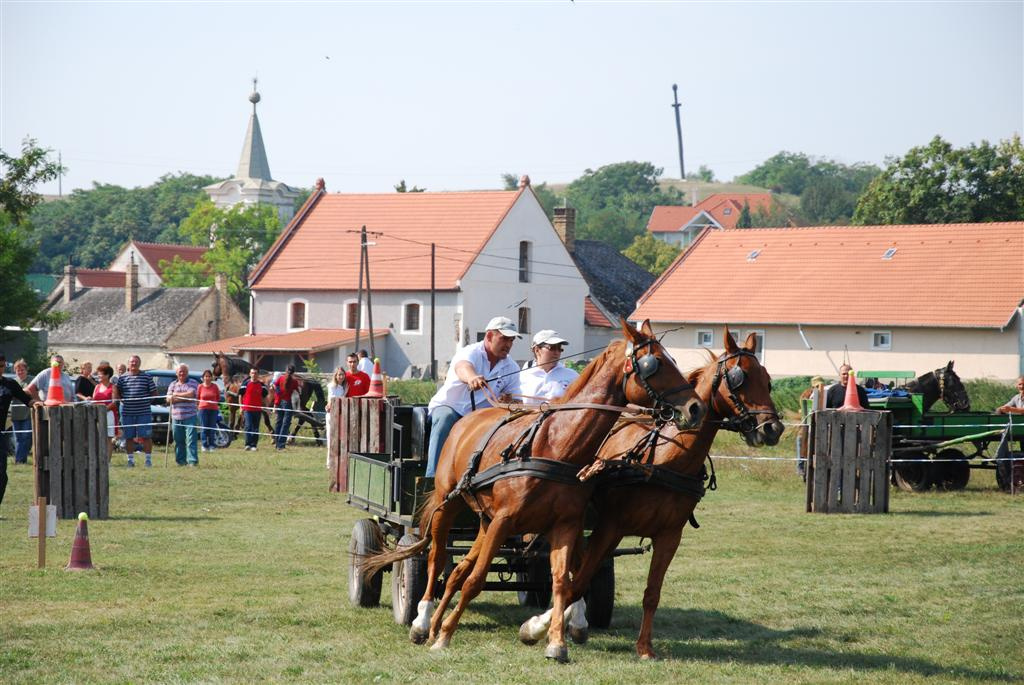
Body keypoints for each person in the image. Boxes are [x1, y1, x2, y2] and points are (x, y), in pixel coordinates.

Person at [425, 316, 522, 477]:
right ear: (489, 336)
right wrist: (471, 377)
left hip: (481, 418)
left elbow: (515, 398)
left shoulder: (511, 366)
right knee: (445, 419)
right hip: (453, 408)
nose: (508, 345)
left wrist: (511, 401)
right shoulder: (471, 351)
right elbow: (463, 366)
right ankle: (431, 478)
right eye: (504, 338)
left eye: (511, 340)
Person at [113, 354, 156, 468]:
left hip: (144, 412)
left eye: (136, 362)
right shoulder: (122, 378)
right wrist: (122, 400)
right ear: (128, 364)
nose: (134, 364)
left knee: (146, 436)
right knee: (129, 437)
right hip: (127, 412)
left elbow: (154, 393)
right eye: (132, 362)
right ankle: (130, 460)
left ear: (139, 363)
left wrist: (146, 402)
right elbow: (117, 392)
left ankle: (148, 460)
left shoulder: (147, 377)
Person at [519, 329, 579, 405]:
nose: (557, 352)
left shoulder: (572, 376)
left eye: (559, 349)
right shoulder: (522, 377)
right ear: (537, 350)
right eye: (552, 348)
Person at [0, 366, 32, 506]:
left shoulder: (10, 384)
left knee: (2, 475)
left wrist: (40, 404)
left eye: (1, 366)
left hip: (1, 435)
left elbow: (27, 400)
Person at [167, 363, 200, 467]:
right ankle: (181, 461)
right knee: (178, 440)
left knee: (191, 440)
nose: (182, 373)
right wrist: (183, 397)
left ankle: (192, 461)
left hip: (190, 416)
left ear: (187, 372)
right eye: (180, 371)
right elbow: (168, 399)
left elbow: (191, 394)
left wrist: (175, 395)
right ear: (177, 373)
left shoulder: (193, 382)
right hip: (176, 417)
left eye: (184, 371)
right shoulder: (172, 384)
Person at [91, 364, 117, 461]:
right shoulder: (97, 386)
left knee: (108, 438)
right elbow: (94, 400)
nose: (98, 376)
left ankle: (107, 461)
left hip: (109, 415)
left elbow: (114, 402)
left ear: (107, 375)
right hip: (96, 414)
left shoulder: (113, 387)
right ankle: (97, 458)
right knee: (97, 437)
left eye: (100, 374)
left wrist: (103, 410)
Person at [272, 365, 300, 451]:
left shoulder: (280, 378)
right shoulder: (294, 381)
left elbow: (275, 386)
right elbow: (297, 391)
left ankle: (277, 443)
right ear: (293, 372)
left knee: (279, 423)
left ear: (286, 370)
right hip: (288, 404)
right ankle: (281, 445)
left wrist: (276, 401)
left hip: (280, 402)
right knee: (285, 424)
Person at [11, 359, 33, 464]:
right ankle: (21, 459)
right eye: (18, 370)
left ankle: (19, 460)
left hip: (27, 414)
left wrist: (18, 393)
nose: (20, 372)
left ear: (26, 370)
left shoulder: (32, 380)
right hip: (15, 414)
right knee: (18, 439)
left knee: (26, 437)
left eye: (22, 370)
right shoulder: (12, 382)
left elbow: (31, 392)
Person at [240, 367, 268, 451]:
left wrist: (266, 407)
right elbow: (240, 395)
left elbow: (264, 397)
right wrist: (241, 407)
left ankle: (254, 445)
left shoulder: (262, 385)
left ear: (258, 375)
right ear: (250, 374)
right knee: (248, 426)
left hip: (257, 410)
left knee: (256, 428)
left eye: (255, 373)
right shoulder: (245, 383)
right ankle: (247, 444)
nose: (254, 375)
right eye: (252, 373)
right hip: (247, 409)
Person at [197, 369, 221, 452]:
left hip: (213, 410)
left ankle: (212, 445)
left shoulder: (215, 386)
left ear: (211, 377)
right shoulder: (200, 386)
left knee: (212, 428)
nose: (207, 378)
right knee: (204, 428)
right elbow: (197, 398)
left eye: (209, 376)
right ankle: (204, 445)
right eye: (206, 376)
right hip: (202, 410)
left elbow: (218, 397)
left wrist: (213, 404)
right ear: (203, 377)